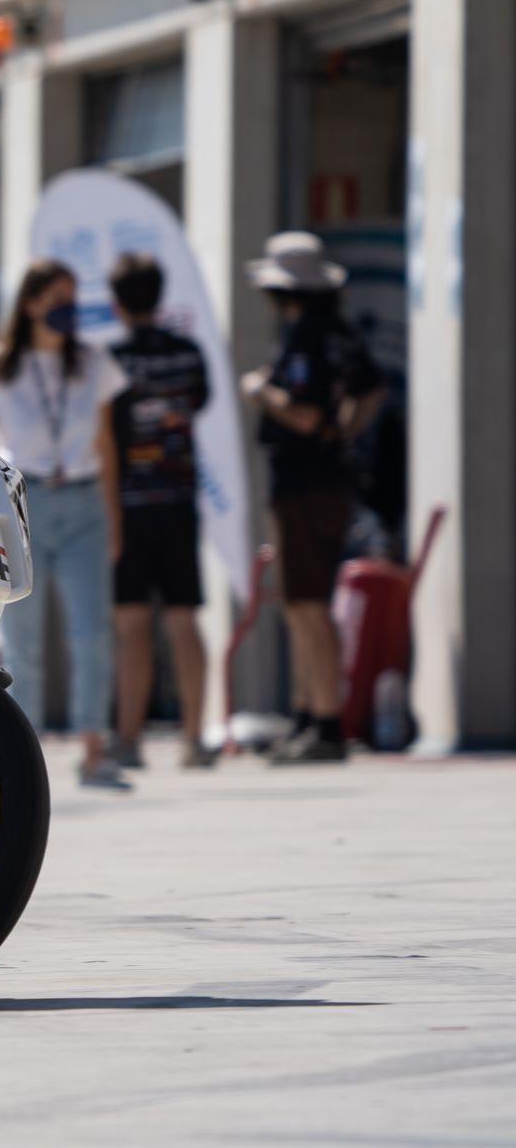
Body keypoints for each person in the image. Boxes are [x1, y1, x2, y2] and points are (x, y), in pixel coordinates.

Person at [0, 260, 130, 789]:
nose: (68, 307)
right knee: (23, 635)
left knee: (92, 632)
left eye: (73, 296)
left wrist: (113, 515)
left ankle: (94, 748)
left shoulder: (93, 362)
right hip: (22, 503)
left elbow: (105, 441)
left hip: (83, 501)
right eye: (57, 296)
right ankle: (23, 752)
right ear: (31, 302)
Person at [240, 232, 384, 764]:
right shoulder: (339, 333)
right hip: (325, 482)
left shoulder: (306, 337)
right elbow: (372, 388)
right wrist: (346, 432)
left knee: (308, 605)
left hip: (303, 484)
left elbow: (303, 414)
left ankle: (324, 723)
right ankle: (308, 717)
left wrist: (260, 391)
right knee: (302, 603)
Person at [106, 252, 212, 770]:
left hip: (126, 508)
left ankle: (129, 740)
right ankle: (194, 739)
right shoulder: (187, 353)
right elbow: (200, 401)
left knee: (131, 628)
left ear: (116, 302)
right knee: (184, 621)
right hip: (178, 503)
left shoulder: (109, 359)